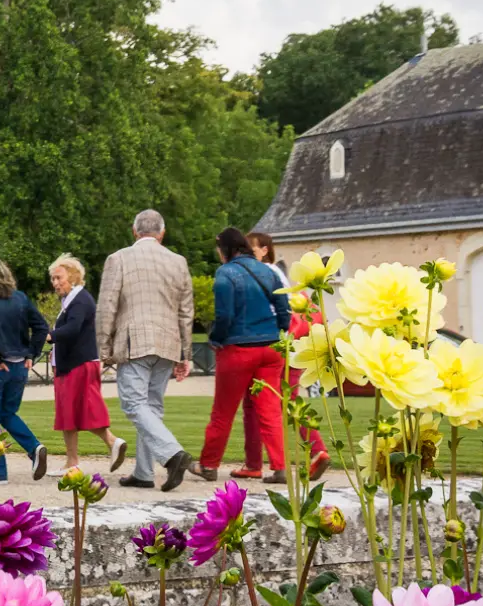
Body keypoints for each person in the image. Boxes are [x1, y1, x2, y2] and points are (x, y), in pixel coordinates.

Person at [95, 209, 197, 491]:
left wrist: (104, 348)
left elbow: (106, 307)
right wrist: (185, 355)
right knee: (151, 407)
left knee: (133, 404)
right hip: (168, 343)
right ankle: (143, 472)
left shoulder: (118, 258)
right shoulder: (178, 261)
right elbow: (186, 312)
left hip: (134, 342)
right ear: (162, 233)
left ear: (134, 231)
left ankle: (173, 454)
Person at [199, 226, 293, 483]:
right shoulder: (268, 271)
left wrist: (216, 339)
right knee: (270, 411)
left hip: (238, 348)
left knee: (223, 412)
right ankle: (280, 467)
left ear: (226, 249)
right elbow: (284, 308)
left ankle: (209, 464)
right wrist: (279, 331)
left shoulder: (225, 273)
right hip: (270, 347)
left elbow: (225, 315)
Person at [249, 230, 331, 477]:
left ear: (264, 250)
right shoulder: (278, 274)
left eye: (251, 250)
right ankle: (315, 451)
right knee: (288, 402)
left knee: (273, 403)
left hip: (280, 346)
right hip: (294, 344)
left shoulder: (263, 274)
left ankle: (310, 452)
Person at [0, 253, 51, 482]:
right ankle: (34, 447)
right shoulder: (20, 298)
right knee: (7, 413)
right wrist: (31, 353)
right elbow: (41, 327)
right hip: (19, 366)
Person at [48, 255, 127, 472]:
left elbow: (73, 329)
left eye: (59, 278)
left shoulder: (80, 300)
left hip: (78, 364)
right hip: (73, 363)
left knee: (76, 414)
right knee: (72, 415)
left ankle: (110, 442)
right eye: (53, 279)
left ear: (73, 276)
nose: (55, 283)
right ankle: (74, 461)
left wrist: (50, 336)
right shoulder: (72, 301)